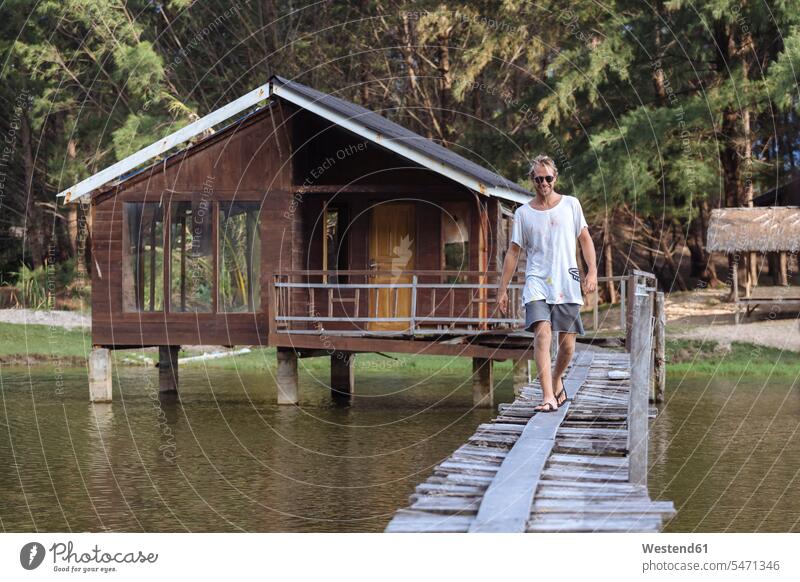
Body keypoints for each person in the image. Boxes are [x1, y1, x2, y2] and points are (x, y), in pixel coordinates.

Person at [497, 155, 597, 412]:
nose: (544, 183)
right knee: (542, 334)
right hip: (537, 281)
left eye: (548, 178)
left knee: (568, 344)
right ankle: (547, 397)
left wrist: (592, 271)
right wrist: (502, 289)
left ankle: (555, 378)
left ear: (555, 178)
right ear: (532, 180)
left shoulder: (571, 205)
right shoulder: (523, 213)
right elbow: (513, 252)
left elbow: (585, 239)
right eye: (538, 178)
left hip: (567, 280)